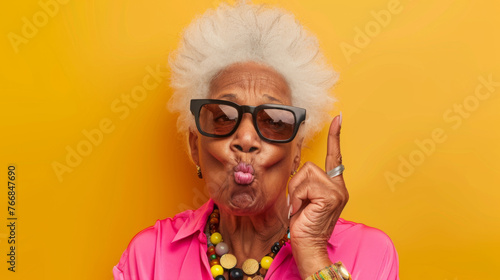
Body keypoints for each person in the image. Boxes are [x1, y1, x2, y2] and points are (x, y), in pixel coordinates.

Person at [113, 2, 399, 280]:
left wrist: (313, 255)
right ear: (194, 146)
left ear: (296, 152)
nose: (246, 139)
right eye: (224, 117)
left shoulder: (368, 252)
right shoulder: (149, 256)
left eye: (273, 122)